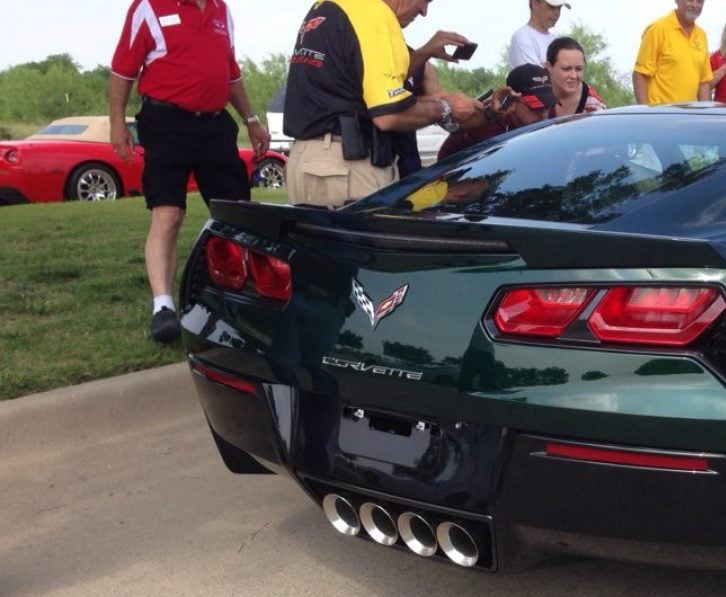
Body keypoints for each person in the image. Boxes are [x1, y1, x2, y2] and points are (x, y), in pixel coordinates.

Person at [108, 0, 270, 343]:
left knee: (236, 216)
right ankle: (163, 308)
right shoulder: (148, 7)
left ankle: (236, 300)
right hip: (165, 122)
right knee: (168, 213)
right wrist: (117, 123)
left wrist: (251, 120)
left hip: (213, 125)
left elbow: (230, 72)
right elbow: (122, 71)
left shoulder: (221, 11)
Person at [283, 0, 483, 208]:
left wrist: (423, 53)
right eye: (425, 0)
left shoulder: (332, 7)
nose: (423, 11)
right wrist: (447, 107)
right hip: (347, 167)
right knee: (362, 240)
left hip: (307, 162)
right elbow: (389, 115)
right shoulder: (375, 14)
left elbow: (362, 86)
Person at [437, 64, 555, 161]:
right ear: (512, 102)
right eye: (536, 108)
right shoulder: (486, 130)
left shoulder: (550, 120)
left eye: (548, 106)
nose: (544, 115)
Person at [633, 0, 713, 105]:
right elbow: (640, 74)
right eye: (690, 0)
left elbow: (704, 82)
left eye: (699, 2)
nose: (695, 5)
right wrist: (645, 114)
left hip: (688, 117)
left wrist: (705, 116)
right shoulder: (658, 29)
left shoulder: (701, 35)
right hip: (660, 114)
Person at [545, 37, 607, 118]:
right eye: (566, 68)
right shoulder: (535, 89)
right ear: (549, 67)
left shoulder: (593, 107)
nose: (573, 76)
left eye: (578, 69)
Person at [508, 0, 571, 69]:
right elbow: (534, 77)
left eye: (559, 8)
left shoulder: (557, 40)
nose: (557, 13)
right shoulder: (522, 37)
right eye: (552, 7)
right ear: (535, 3)